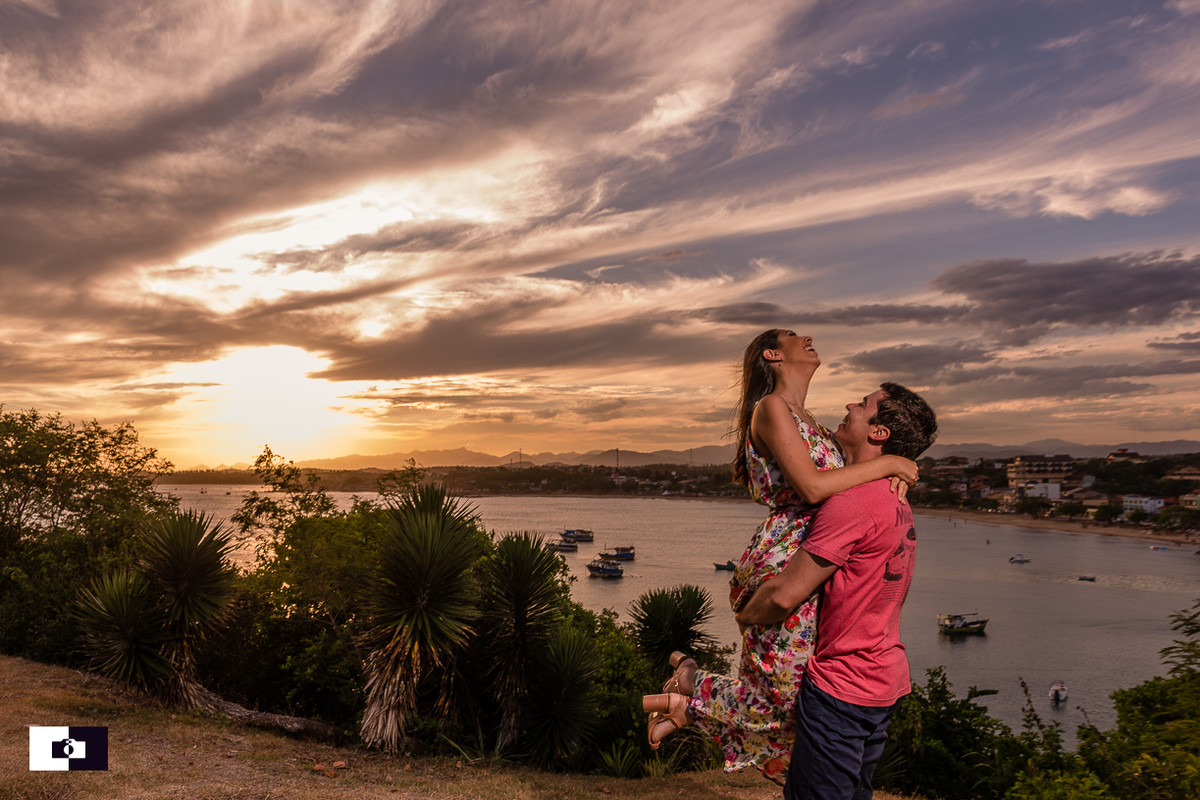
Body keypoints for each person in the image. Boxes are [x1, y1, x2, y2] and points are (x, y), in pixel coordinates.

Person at [642, 330, 919, 783]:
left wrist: (893, 467)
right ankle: (691, 684)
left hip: (817, 556)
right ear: (773, 355)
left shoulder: (810, 420)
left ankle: (686, 703)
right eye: (794, 336)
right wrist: (890, 465)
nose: (807, 337)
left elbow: (850, 478)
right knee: (787, 697)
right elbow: (811, 487)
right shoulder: (771, 408)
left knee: (801, 702)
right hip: (784, 558)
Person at [736, 382, 937, 800]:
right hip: (884, 677)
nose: (849, 405)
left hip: (843, 686)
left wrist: (744, 614)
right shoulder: (893, 495)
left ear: (879, 433)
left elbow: (784, 595)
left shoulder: (852, 503)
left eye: (863, 405)